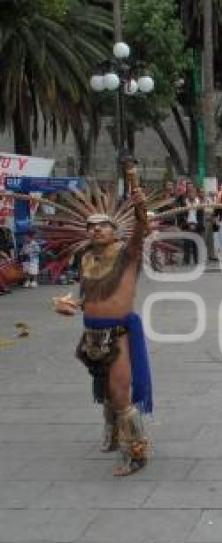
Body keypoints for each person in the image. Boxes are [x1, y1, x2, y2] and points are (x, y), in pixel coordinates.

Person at [51, 187, 154, 477]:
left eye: (102, 226)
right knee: (106, 390)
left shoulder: (127, 254)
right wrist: (71, 304)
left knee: (121, 395)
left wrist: (139, 208)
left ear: (115, 230)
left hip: (119, 333)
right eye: (91, 227)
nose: (96, 230)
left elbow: (141, 231)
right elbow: (88, 295)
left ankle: (136, 452)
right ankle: (113, 431)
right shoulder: (86, 258)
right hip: (92, 334)